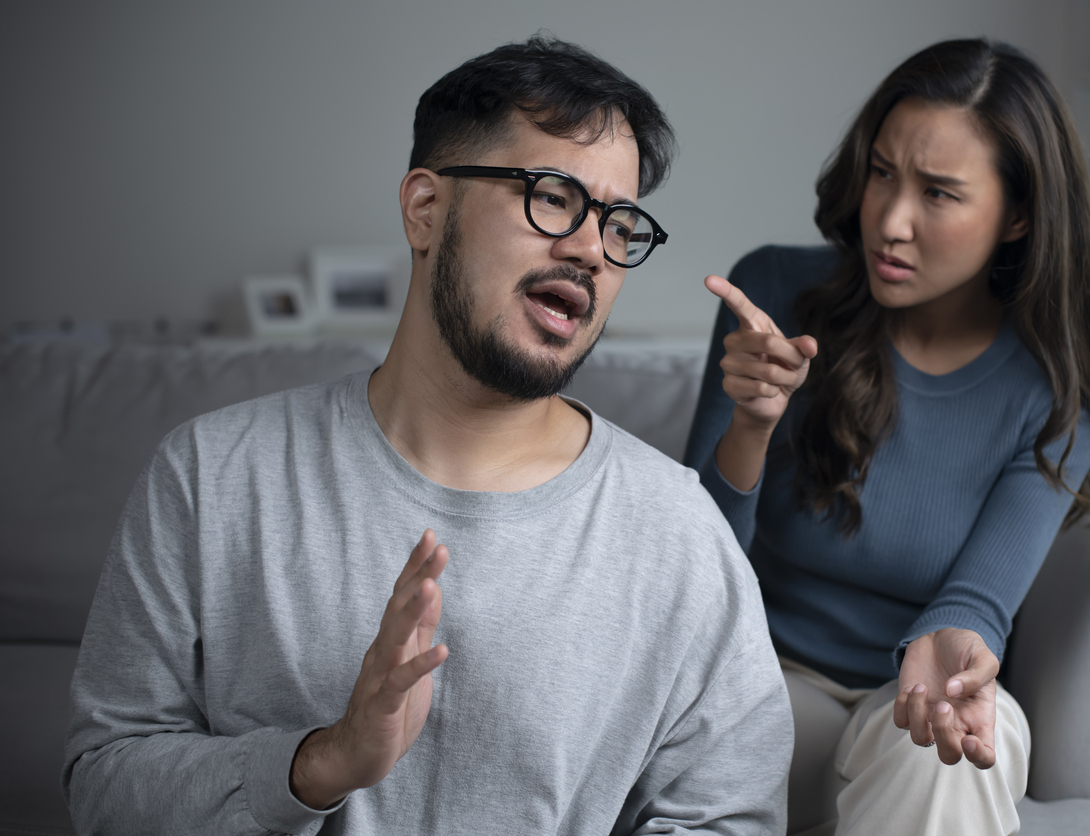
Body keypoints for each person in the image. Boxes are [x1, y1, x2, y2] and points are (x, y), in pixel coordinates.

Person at [64, 36, 793, 835]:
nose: (591, 247)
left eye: (620, 223)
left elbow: (729, 816)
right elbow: (104, 782)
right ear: (425, 210)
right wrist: (321, 762)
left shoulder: (677, 531)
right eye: (553, 195)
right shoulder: (212, 477)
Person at [683, 38, 1090, 836]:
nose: (890, 221)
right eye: (881, 173)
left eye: (938, 193)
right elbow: (689, 565)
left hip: (904, 691)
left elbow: (981, 594)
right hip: (759, 682)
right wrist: (752, 425)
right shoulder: (773, 293)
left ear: (1018, 216)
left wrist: (951, 654)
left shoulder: (1061, 386)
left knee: (955, 740)